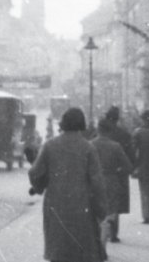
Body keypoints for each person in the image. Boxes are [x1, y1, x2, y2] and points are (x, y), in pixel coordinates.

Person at [28, 107, 107, 262]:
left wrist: (38, 187)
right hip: (82, 207)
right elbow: (97, 182)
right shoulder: (88, 148)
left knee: (59, 249)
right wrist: (101, 210)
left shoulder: (50, 145)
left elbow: (34, 172)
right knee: (81, 251)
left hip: (56, 207)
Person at [91, 119, 133, 257]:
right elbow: (127, 166)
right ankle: (102, 248)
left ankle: (97, 247)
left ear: (98, 129)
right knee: (108, 217)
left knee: (95, 216)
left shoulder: (89, 145)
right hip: (111, 183)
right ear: (109, 131)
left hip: (93, 183)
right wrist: (116, 171)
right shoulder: (116, 146)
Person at [102, 106, 135, 242]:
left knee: (101, 202)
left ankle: (103, 232)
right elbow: (131, 157)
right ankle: (113, 233)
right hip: (119, 174)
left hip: (100, 174)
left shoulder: (100, 136)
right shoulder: (125, 134)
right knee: (115, 204)